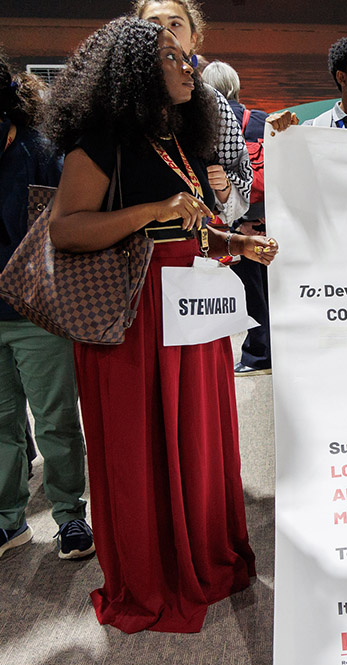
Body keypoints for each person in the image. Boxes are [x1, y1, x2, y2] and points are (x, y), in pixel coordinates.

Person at [45, 17, 277, 633]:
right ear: (137, 73)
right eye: (172, 58)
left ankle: (200, 555)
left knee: (199, 437)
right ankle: (151, 574)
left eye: (186, 57)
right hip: (133, 309)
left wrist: (235, 241)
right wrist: (155, 209)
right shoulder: (103, 139)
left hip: (191, 306)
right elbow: (64, 228)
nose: (187, 67)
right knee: (139, 444)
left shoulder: (181, 136)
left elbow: (191, 222)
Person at [0, 52, 93, 561]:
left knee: (54, 418)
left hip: (36, 311)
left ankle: (70, 516)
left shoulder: (41, 149)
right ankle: (8, 520)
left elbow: (64, 229)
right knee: (1, 423)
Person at [133, 0, 252, 226]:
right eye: (153, 23)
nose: (165, 32)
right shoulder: (114, 102)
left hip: (189, 251)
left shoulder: (211, 102)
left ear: (193, 39)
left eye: (175, 24)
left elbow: (236, 194)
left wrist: (224, 187)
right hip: (126, 254)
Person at [202, 60, 272, 376]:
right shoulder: (263, 121)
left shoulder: (207, 126)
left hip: (234, 226)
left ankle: (257, 355)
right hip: (270, 221)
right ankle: (271, 351)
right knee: (272, 292)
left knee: (251, 295)